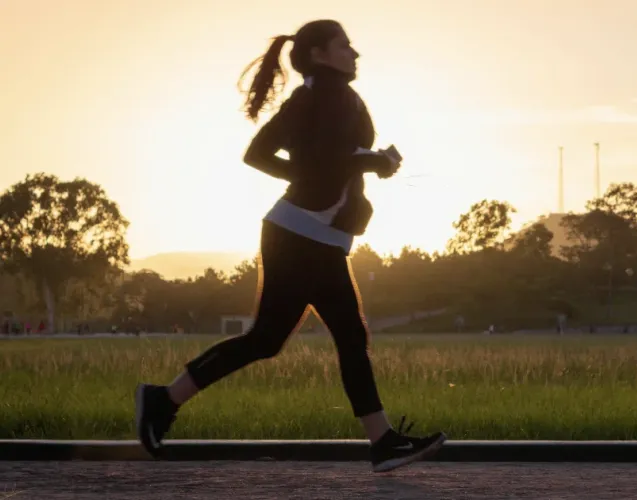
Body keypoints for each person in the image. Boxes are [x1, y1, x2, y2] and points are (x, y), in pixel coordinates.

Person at [134, 19, 446, 473]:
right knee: (342, 336)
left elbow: (272, 155)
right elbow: (311, 158)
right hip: (301, 235)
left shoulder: (323, 96)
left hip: (307, 233)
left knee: (271, 339)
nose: (355, 54)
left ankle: (163, 399)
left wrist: (328, 174)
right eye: (346, 46)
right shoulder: (321, 96)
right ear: (320, 53)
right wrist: (369, 161)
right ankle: (382, 443)